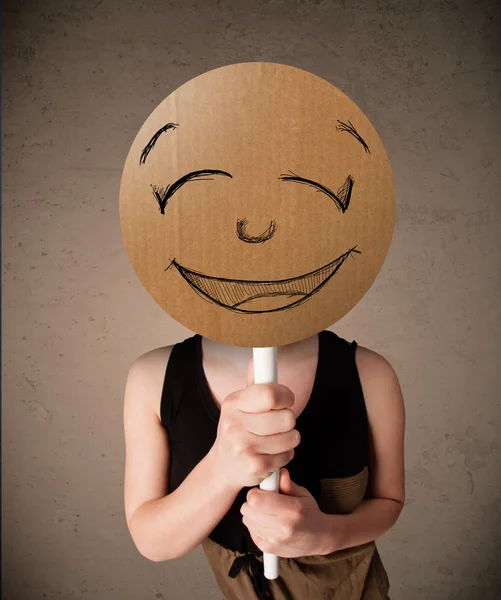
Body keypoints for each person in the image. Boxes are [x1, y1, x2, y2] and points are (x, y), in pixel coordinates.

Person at [123, 328, 405, 599]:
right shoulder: (153, 377)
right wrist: (221, 470)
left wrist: (326, 535)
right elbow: (152, 542)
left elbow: (388, 500)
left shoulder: (369, 371)